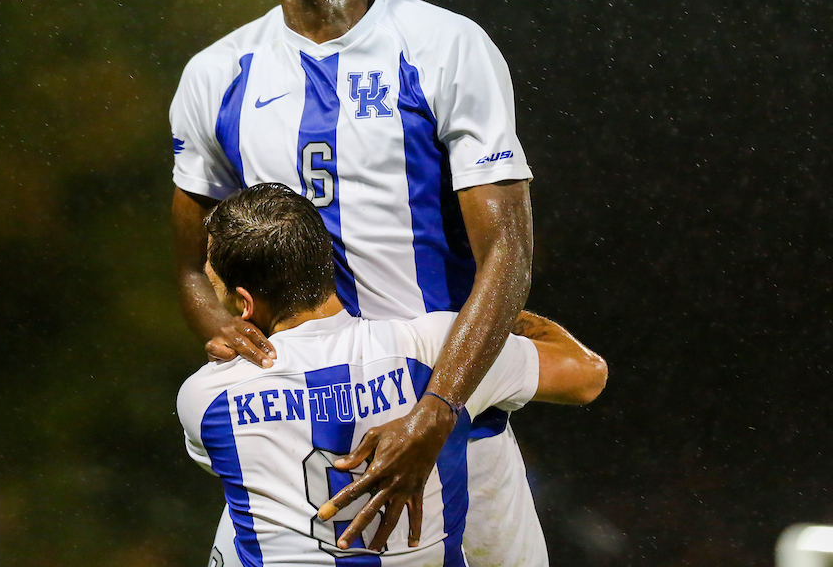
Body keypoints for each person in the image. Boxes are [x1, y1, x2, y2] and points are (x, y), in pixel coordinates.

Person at [170, 0, 542, 563]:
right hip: (292, 442)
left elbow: (508, 248)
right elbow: (189, 261)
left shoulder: (444, 46)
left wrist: (437, 408)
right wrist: (215, 318)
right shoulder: (216, 75)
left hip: (451, 426)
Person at [178, 184, 607, 567]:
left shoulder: (207, 398)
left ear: (244, 303)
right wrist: (480, 318)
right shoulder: (437, 349)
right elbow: (586, 375)